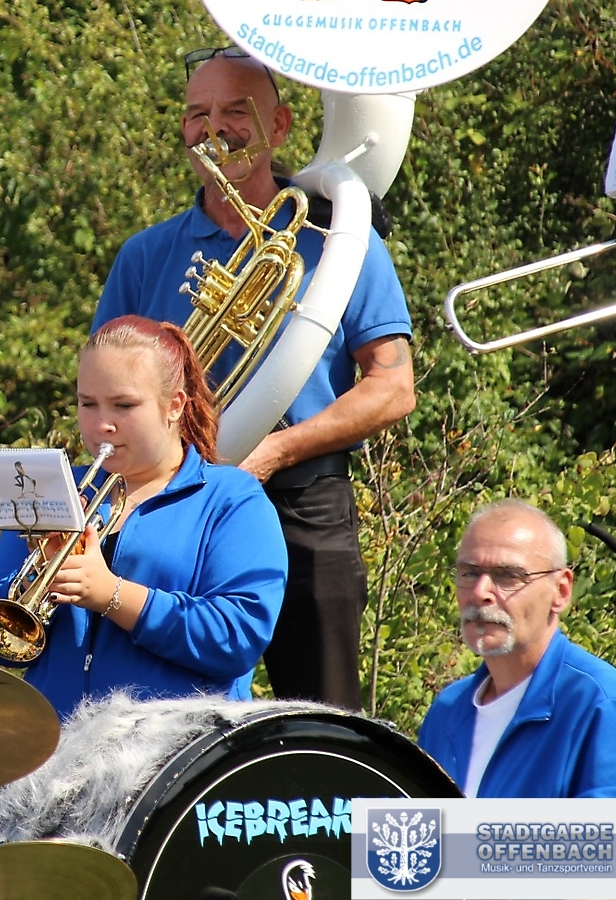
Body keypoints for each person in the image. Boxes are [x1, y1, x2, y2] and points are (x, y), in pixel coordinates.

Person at [92, 46, 415, 709]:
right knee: (168, 709)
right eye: (197, 114)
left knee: (323, 719)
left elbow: (393, 388)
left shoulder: (341, 240)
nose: (214, 128)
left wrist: (271, 452)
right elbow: (101, 396)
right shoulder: (144, 254)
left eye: (236, 111)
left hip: (303, 502)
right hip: (176, 506)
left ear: (281, 125)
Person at [0, 317, 287, 720]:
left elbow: (237, 638)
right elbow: (2, 643)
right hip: (58, 742)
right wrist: (36, 583)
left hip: (179, 744)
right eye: (87, 404)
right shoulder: (48, 488)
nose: (101, 425)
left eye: (123, 406)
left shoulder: (231, 499)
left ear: (174, 406)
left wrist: (111, 594)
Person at [416, 499, 616, 797]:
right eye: (469, 573)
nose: (480, 592)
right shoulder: (448, 709)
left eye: (508, 576)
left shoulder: (600, 703)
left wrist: (475, 828)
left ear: (561, 591)